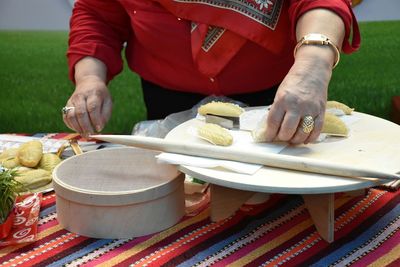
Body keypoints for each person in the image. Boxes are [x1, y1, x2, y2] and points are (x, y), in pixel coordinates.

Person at [62, 0, 360, 144]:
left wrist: (312, 66)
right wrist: (89, 77)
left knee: (276, 199)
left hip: (279, 97)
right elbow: (98, 13)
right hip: (168, 99)